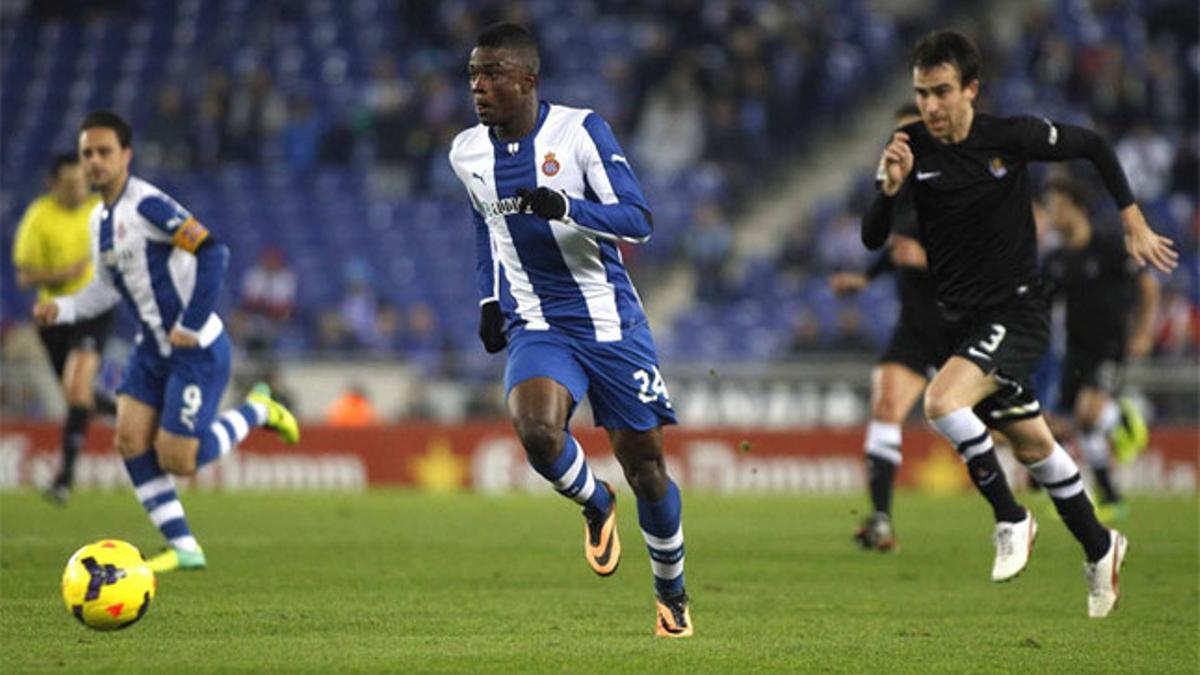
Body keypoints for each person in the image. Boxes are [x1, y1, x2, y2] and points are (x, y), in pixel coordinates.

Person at [862, 31, 1177, 618]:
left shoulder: (1009, 138)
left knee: (940, 402)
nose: (930, 105)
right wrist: (887, 187)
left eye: (941, 92)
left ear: (971, 90)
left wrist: (1131, 218)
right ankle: (1101, 545)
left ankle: (1011, 517)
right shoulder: (909, 146)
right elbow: (873, 236)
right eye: (921, 93)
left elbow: (1095, 146)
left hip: (1016, 314)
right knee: (1036, 445)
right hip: (962, 325)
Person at [448, 23, 690, 637]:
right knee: (534, 429)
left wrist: (567, 209)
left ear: (528, 80)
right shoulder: (466, 152)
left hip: (610, 323)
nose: (478, 86)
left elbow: (638, 221)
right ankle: (595, 501)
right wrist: (488, 296)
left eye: (492, 74)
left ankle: (672, 594)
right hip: (538, 323)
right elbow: (485, 224)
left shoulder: (581, 132)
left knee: (647, 467)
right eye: (473, 74)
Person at [33, 111, 301, 572]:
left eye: (104, 152)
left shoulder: (148, 205)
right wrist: (65, 308)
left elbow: (214, 251)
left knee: (180, 460)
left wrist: (191, 324)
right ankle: (184, 546)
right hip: (151, 349)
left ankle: (259, 409)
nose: (94, 162)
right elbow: (102, 289)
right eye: (87, 154)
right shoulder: (99, 219)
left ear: (126, 156)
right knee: (128, 438)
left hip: (194, 349)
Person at [830, 103, 952, 551]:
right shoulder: (898, 191)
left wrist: (930, 261)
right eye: (897, 136)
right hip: (916, 327)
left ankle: (1066, 454)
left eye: (911, 135)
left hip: (962, 325)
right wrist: (867, 277)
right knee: (885, 406)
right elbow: (895, 245)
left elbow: (986, 253)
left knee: (996, 429)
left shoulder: (956, 188)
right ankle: (881, 519)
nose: (903, 144)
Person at [1041, 177, 1157, 523]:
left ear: (1077, 209)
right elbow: (1041, 307)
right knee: (1069, 425)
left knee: (1087, 415)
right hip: (1074, 350)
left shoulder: (1109, 247)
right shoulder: (1056, 260)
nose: (1052, 214)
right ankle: (1109, 495)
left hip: (1109, 346)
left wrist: (1142, 332)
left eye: (1057, 207)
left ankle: (1123, 419)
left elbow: (1148, 287)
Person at [12, 153, 110, 504]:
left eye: (82, 182)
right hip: (53, 317)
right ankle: (129, 412)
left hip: (92, 310)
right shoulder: (39, 216)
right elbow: (24, 276)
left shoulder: (101, 209)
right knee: (79, 397)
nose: (78, 190)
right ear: (53, 184)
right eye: (69, 184)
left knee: (77, 385)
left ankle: (64, 478)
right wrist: (60, 274)